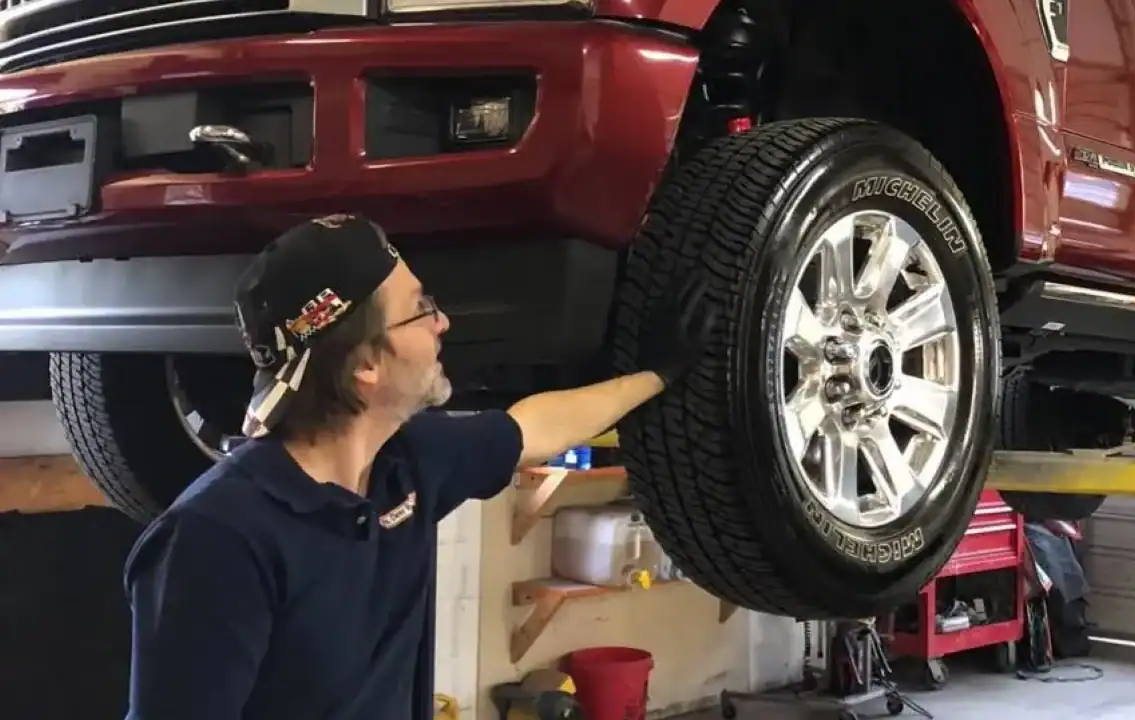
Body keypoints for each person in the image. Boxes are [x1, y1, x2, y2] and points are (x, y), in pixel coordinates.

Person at [121, 214, 715, 720]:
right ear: (366, 368)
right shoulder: (217, 540)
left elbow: (533, 428)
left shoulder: (405, 465)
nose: (443, 323)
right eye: (419, 309)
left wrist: (657, 374)